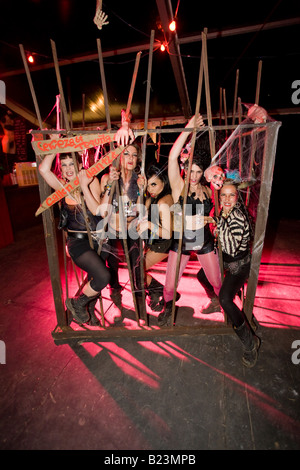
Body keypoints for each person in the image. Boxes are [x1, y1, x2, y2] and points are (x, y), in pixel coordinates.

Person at [158, 115, 223, 327]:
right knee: (170, 284)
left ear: (202, 171)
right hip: (182, 242)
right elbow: (172, 157)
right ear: (185, 169)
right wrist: (188, 128)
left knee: (217, 282)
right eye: (190, 171)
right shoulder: (179, 186)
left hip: (204, 241)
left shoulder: (207, 188)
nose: (193, 176)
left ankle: (225, 306)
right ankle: (168, 309)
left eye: (197, 171)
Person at [39, 150, 111, 326]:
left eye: (72, 164)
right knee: (103, 276)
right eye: (64, 165)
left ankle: (89, 310)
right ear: (61, 170)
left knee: (94, 279)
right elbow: (43, 169)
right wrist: (56, 147)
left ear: (80, 165)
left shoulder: (91, 180)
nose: (68, 169)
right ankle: (76, 303)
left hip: (98, 240)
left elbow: (100, 211)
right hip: (77, 242)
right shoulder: (62, 187)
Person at [211, 179, 260, 367]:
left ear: (237, 196)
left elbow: (231, 248)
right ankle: (242, 315)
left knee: (225, 298)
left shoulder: (237, 216)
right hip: (228, 263)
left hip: (239, 265)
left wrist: (219, 223)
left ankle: (250, 343)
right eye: (223, 195)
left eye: (231, 194)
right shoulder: (224, 211)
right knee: (202, 274)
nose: (227, 198)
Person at [97, 141, 147, 321]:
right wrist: (110, 183)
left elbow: (141, 209)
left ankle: (139, 298)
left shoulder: (139, 178)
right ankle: (115, 293)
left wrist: (142, 190)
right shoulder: (107, 177)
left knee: (136, 263)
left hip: (131, 226)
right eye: (126, 154)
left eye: (134, 155)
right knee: (111, 262)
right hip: (112, 227)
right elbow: (103, 208)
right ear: (119, 156)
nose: (131, 158)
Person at [136, 164, 174, 311]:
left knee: (137, 271)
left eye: (153, 184)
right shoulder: (157, 197)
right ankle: (160, 292)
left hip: (164, 243)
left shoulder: (163, 202)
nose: (150, 189)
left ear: (163, 183)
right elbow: (141, 209)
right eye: (148, 185)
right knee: (137, 269)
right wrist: (141, 189)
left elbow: (167, 233)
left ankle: (159, 291)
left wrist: (149, 225)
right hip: (157, 241)